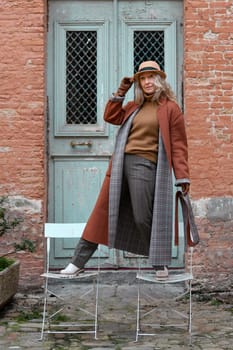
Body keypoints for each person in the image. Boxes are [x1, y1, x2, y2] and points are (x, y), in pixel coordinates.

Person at [61, 60, 190, 279]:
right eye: (143, 79)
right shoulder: (133, 106)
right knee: (100, 215)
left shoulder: (170, 109)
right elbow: (110, 117)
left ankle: (158, 261)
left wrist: (183, 176)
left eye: (151, 77)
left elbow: (178, 144)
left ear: (159, 80)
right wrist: (122, 90)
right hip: (120, 164)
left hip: (145, 165)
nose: (147, 82)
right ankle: (77, 262)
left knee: (142, 217)